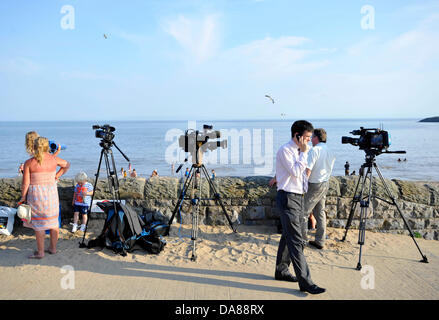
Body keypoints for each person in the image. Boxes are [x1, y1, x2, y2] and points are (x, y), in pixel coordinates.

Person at [273, 120, 326, 295]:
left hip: (298, 197)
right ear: (297, 135)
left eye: (311, 138)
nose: (309, 141)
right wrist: (304, 154)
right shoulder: (285, 150)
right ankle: (306, 282)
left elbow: (304, 173)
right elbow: (295, 172)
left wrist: (304, 153)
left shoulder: (303, 150)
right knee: (297, 240)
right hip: (288, 197)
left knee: (289, 236)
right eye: (307, 137)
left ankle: (281, 271)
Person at [18, 137, 70, 259]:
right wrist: (56, 176)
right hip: (51, 193)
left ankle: (40, 252)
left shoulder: (29, 162)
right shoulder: (53, 159)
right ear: (47, 147)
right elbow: (67, 165)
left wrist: (23, 197)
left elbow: (25, 183)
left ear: (35, 147)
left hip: (36, 196)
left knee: (39, 224)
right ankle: (53, 248)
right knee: (53, 222)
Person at [304, 128, 335, 250]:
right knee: (320, 212)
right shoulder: (330, 151)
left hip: (314, 184)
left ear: (316, 138)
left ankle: (300, 239)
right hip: (325, 183)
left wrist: (302, 184)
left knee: (303, 212)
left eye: (312, 137)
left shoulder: (314, 150)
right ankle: (320, 240)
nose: (311, 140)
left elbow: (308, 169)